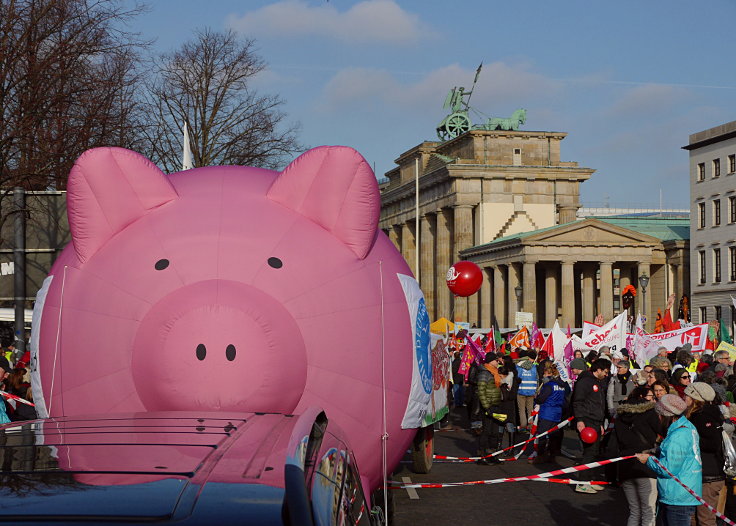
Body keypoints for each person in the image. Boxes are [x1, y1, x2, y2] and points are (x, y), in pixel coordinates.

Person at [636, 394, 702, 526]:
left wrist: (648, 460)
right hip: (681, 491)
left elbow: (669, 469)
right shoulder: (687, 426)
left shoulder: (678, 435)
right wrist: (657, 451)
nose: (658, 419)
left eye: (659, 416)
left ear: (668, 416)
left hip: (677, 495)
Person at [615, 386, 662, 526]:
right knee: (648, 511)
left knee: (634, 511)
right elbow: (662, 431)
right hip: (646, 464)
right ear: (642, 397)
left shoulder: (620, 415)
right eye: (650, 396)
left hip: (625, 465)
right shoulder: (649, 412)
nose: (653, 399)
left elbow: (614, 444)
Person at [684, 382, 725, 526]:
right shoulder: (697, 415)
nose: (684, 398)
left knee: (706, 519)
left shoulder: (703, 416)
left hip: (709, 474)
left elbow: (713, 443)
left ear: (695, 398)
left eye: (687, 395)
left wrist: (690, 442)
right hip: (699, 473)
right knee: (693, 518)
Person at [572, 358, 611, 494]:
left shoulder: (598, 382)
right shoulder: (585, 382)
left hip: (596, 421)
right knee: (589, 452)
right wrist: (580, 420)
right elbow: (578, 402)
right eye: (605, 372)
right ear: (598, 369)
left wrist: (600, 423)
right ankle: (582, 482)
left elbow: (599, 404)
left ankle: (589, 480)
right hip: (587, 420)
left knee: (594, 452)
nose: (606, 374)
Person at [531, 362, 569, 464]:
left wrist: (537, 398)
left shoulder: (549, 386)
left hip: (547, 412)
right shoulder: (561, 386)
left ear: (548, 374)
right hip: (557, 413)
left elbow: (541, 399)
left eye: (544, 374)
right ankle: (552, 455)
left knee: (542, 435)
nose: (543, 376)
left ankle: (540, 455)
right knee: (553, 436)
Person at [476, 353, 504, 464]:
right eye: (496, 361)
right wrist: (487, 407)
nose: (498, 362)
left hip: (496, 405)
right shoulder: (484, 373)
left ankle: (493, 455)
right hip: (488, 406)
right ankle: (483, 455)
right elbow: (481, 391)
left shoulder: (494, 372)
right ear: (491, 361)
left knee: (495, 432)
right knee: (487, 431)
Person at [515, 350, 538, 433]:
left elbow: (516, 378)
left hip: (521, 391)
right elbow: (537, 379)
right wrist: (536, 391)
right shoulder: (534, 367)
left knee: (521, 410)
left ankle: (523, 426)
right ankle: (530, 426)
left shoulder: (518, 366)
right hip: (531, 391)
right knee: (530, 410)